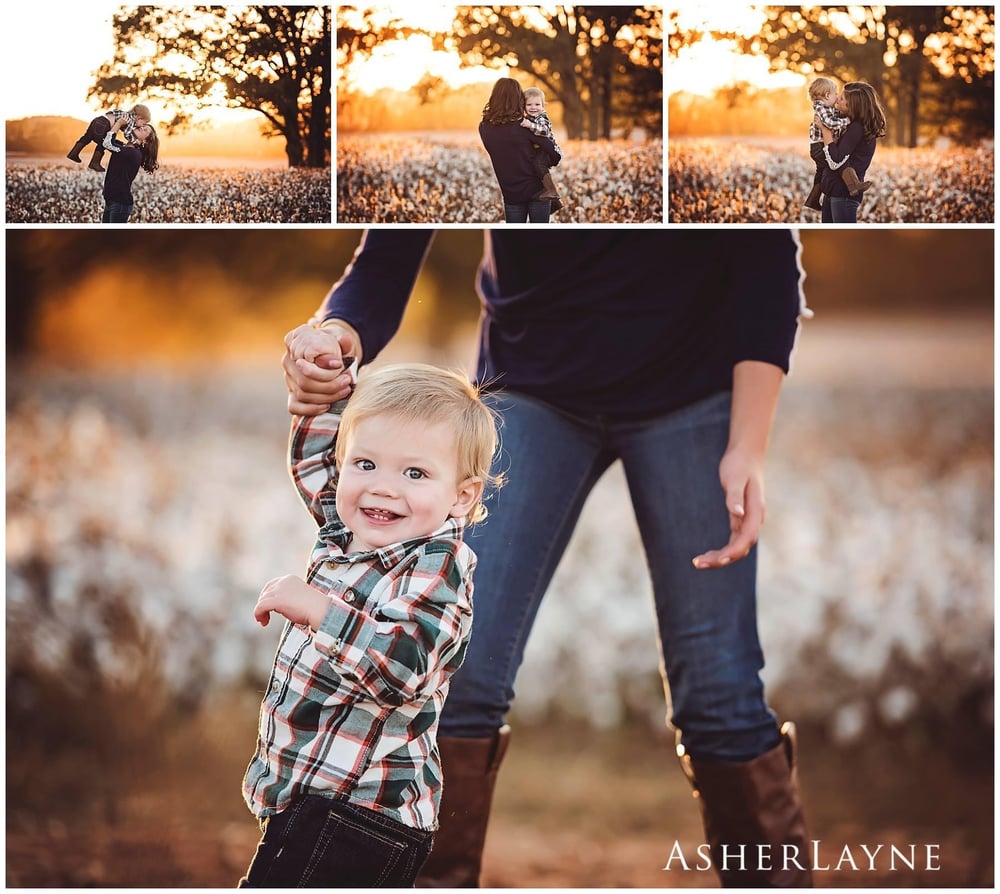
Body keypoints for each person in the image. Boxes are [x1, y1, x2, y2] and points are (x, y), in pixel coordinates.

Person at [281, 230, 815, 888]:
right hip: (529, 386)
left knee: (718, 694)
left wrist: (747, 445)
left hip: (695, 393)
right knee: (454, 677)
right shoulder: (482, 128)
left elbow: (763, 259)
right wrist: (337, 331)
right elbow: (389, 252)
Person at [239, 358, 500, 888]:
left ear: (463, 495)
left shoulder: (437, 567)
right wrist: (327, 371)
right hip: (316, 801)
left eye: (415, 473)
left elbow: (402, 670)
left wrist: (320, 611)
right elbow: (318, 459)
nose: (383, 488)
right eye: (365, 464)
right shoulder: (349, 535)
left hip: (362, 815)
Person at [479, 78, 561, 224]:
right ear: (518, 98)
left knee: (515, 239)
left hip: (511, 193)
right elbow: (554, 153)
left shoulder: (484, 128)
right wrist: (546, 162)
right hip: (538, 191)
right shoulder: (524, 126)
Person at [818, 82, 887, 224]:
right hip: (834, 191)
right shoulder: (850, 125)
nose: (838, 100)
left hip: (843, 195)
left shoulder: (857, 128)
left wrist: (825, 130)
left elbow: (835, 160)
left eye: (842, 99)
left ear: (853, 106)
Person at [803, 77, 872, 213]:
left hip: (821, 150)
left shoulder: (827, 109)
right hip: (819, 147)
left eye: (841, 97)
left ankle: (813, 198)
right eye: (836, 94)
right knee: (841, 163)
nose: (838, 97)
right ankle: (853, 185)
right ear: (827, 95)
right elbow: (830, 124)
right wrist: (846, 121)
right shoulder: (821, 108)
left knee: (821, 171)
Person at [66, 103, 151, 172]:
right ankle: (94, 162)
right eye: (143, 123)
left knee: (86, 137)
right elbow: (127, 134)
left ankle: (74, 153)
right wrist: (135, 140)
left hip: (99, 120)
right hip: (104, 125)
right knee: (104, 143)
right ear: (139, 118)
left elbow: (117, 121)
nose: (141, 126)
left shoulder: (126, 114)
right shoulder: (130, 120)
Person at [101, 123, 159, 223]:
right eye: (142, 126)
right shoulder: (124, 147)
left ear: (144, 140)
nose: (141, 128)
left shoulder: (134, 153)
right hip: (111, 201)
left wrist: (119, 123)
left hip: (120, 204)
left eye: (145, 130)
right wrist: (125, 126)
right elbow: (104, 138)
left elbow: (107, 143)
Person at [521, 86, 563, 213]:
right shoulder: (529, 117)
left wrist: (530, 125)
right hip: (541, 151)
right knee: (537, 171)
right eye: (529, 104)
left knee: (538, 163)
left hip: (549, 151)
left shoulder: (542, 117)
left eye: (537, 104)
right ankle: (555, 203)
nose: (533, 107)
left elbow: (544, 131)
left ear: (543, 106)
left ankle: (552, 191)